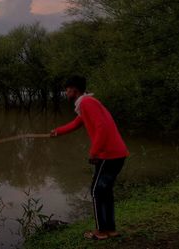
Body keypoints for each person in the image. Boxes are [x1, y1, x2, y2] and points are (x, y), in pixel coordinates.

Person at [50, 75, 129, 240]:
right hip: (115, 154)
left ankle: (101, 232)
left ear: (74, 89)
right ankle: (111, 229)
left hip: (108, 154)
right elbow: (76, 123)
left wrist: (94, 151)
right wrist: (58, 131)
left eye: (67, 89)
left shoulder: (87, 103)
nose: (65, 92)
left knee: (96, 191)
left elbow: (101, 127)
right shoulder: (87, 103)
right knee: (104, 191)